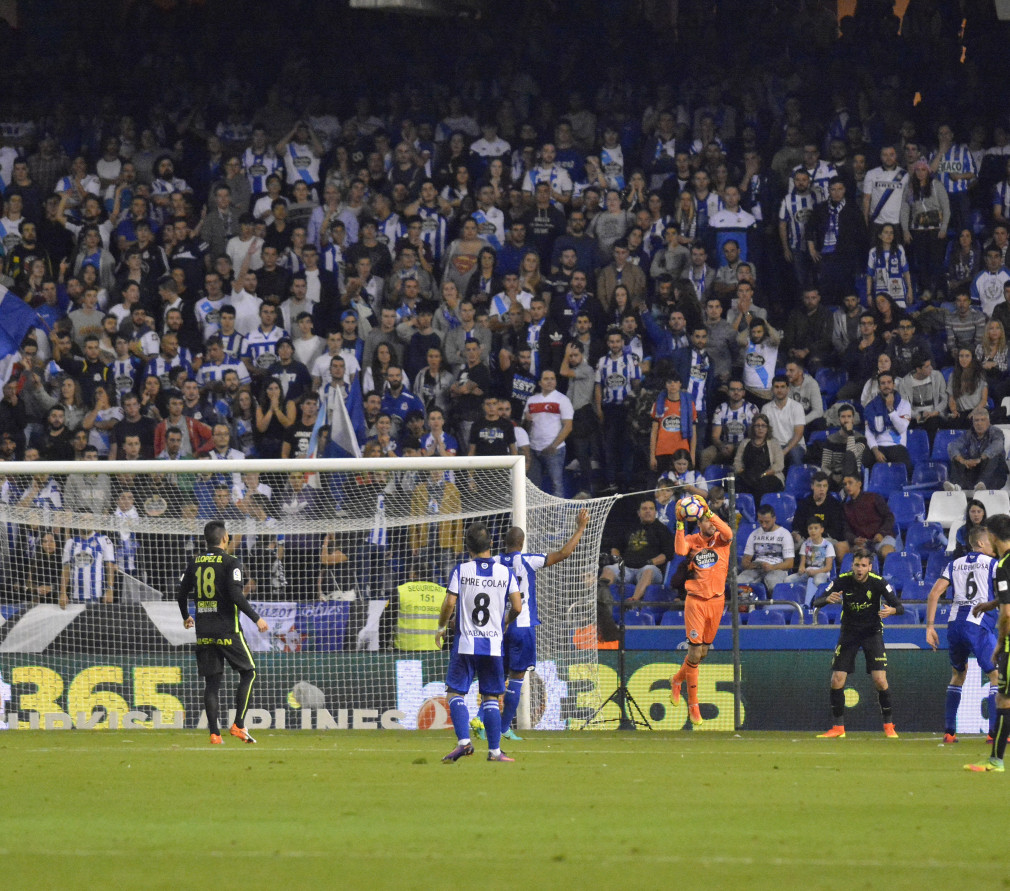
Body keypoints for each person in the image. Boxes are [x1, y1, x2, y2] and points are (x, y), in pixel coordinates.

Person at [472, 508, 590, 742]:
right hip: (521, 625)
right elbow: (564, 553)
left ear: (502, 543)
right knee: (516, 677)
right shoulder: (528, 560)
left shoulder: (492, 562)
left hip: (497, 627)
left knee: (496, 676)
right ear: (522, 543)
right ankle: (504, 727)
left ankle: (478, 718)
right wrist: (580, 528)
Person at [176, 520, 269, 745]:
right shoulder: (231, 562)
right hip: (227, 629)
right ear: (225, 538)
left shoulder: (195, 562)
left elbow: (180, 593)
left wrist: (185, 616)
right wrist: (257, 618)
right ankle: (238, 724)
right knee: (249, 672)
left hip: (204, 630)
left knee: (212, 684)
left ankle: (215, 734)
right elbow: (236, 595)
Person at [436, 522, 523, 763]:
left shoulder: (461, 570)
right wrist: (505, 621)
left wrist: (442, 627)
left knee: (455, 693)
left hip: (466, 644)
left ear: (467, 547)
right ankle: (495, 752)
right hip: (494, 645)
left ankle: (464, 742)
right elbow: (517, 606)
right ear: (491, 544)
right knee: (491, 698)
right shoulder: (505, 572)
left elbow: (449, 603)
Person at [812, 548, 904, 738]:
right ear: (852, 566)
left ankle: (889, 726)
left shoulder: (878, 583)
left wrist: (892, 611)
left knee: (880, 680)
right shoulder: (843, 580)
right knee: (837, 679)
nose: (859, 569)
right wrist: (826, 599)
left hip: (872, 633)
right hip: (849, 633)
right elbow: (816, 601)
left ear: (870, 567)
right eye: (856, 565)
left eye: (863, 566)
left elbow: (899, 606)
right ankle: (838, 728)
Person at [925, 524, 999, 745]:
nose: (994, 546)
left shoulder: (953, 564)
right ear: (980, 543)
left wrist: (929, 626)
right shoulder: (993, 564)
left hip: (955, 624)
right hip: (978, 624)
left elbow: (934, 593)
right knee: (996, 676)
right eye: (991, 542)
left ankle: (949, 732)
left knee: (958, 675)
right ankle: (994, 733)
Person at [669, 493, 734, 726]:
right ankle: (693, 706)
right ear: (698, 522)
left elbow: (729, 532)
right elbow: (678, 550)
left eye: (710, 519)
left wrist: (709, 512)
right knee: (695, 654)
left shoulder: (722, 540)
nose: (709, 523)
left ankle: (677, 679)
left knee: (703, 653)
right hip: (695, 600)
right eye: (705, 520)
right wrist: (678, 523)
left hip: (717, 601)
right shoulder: (692, 540)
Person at [965, 513, 1010, 772]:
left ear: (991, 536)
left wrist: (999, 645)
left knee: (1003, 700)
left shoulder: (1003, 564)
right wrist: (992, 603)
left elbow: (1006, 615)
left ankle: (996, 760)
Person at [598, 497, 676, 604]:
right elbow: (615, 547)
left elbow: (667, 554)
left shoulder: (663, 530)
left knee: (648, 570)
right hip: (626, 569)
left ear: (655, 512)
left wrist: (650, 562)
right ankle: (600, 601)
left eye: (651, 509)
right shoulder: (629, 527)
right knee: (608, 569)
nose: (648, 511)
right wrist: (618, 560)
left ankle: (634, 600)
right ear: (639, 513)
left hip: (650, 570)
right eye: (644, 509)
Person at [945, 408, 1008, 492]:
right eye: (976, 420)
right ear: (973, 423)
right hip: (976, 473)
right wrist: (963, 461)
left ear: (988, 422)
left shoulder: (996, 432)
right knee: (956, 457)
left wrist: (980, 459)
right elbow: (952, 446)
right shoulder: (969, 433)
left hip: (995, 475)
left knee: (994, 455)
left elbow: (997, 446)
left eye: (983, 420)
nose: (979, 423)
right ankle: (956, 485)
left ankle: (982, 483)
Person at [738, 504, 795, 593]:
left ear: (774, 519)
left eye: (767, 522)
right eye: (761, 522)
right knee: (739, 582)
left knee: (774, 584)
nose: (764, 525)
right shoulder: (754, 534)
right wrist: (757, 565)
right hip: (756, 568)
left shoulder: (784, 534)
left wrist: (772, 567)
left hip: (777, 568)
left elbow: (790, 563)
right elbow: (745, 562)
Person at [60, 518, 116, 608]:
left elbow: (110, 567)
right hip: (75, 596)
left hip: (97, 596)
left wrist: (110, 589)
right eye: (83, 520)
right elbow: (66, 570)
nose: (86, 523)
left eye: (89, 520)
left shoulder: (103, 540)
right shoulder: (70, 543)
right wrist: (63, 592)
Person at [841, 472, 897, 560]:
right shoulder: (846, 507)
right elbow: (846, 530)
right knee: (859, 554)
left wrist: (881, 533)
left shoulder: (873, 498)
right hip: (863, 543)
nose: (847, 486)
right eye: (845, 484)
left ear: (859, 484)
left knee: (886, 552)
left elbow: (889, 517)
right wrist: (854, 539)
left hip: (882, 538)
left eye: (850, 483)